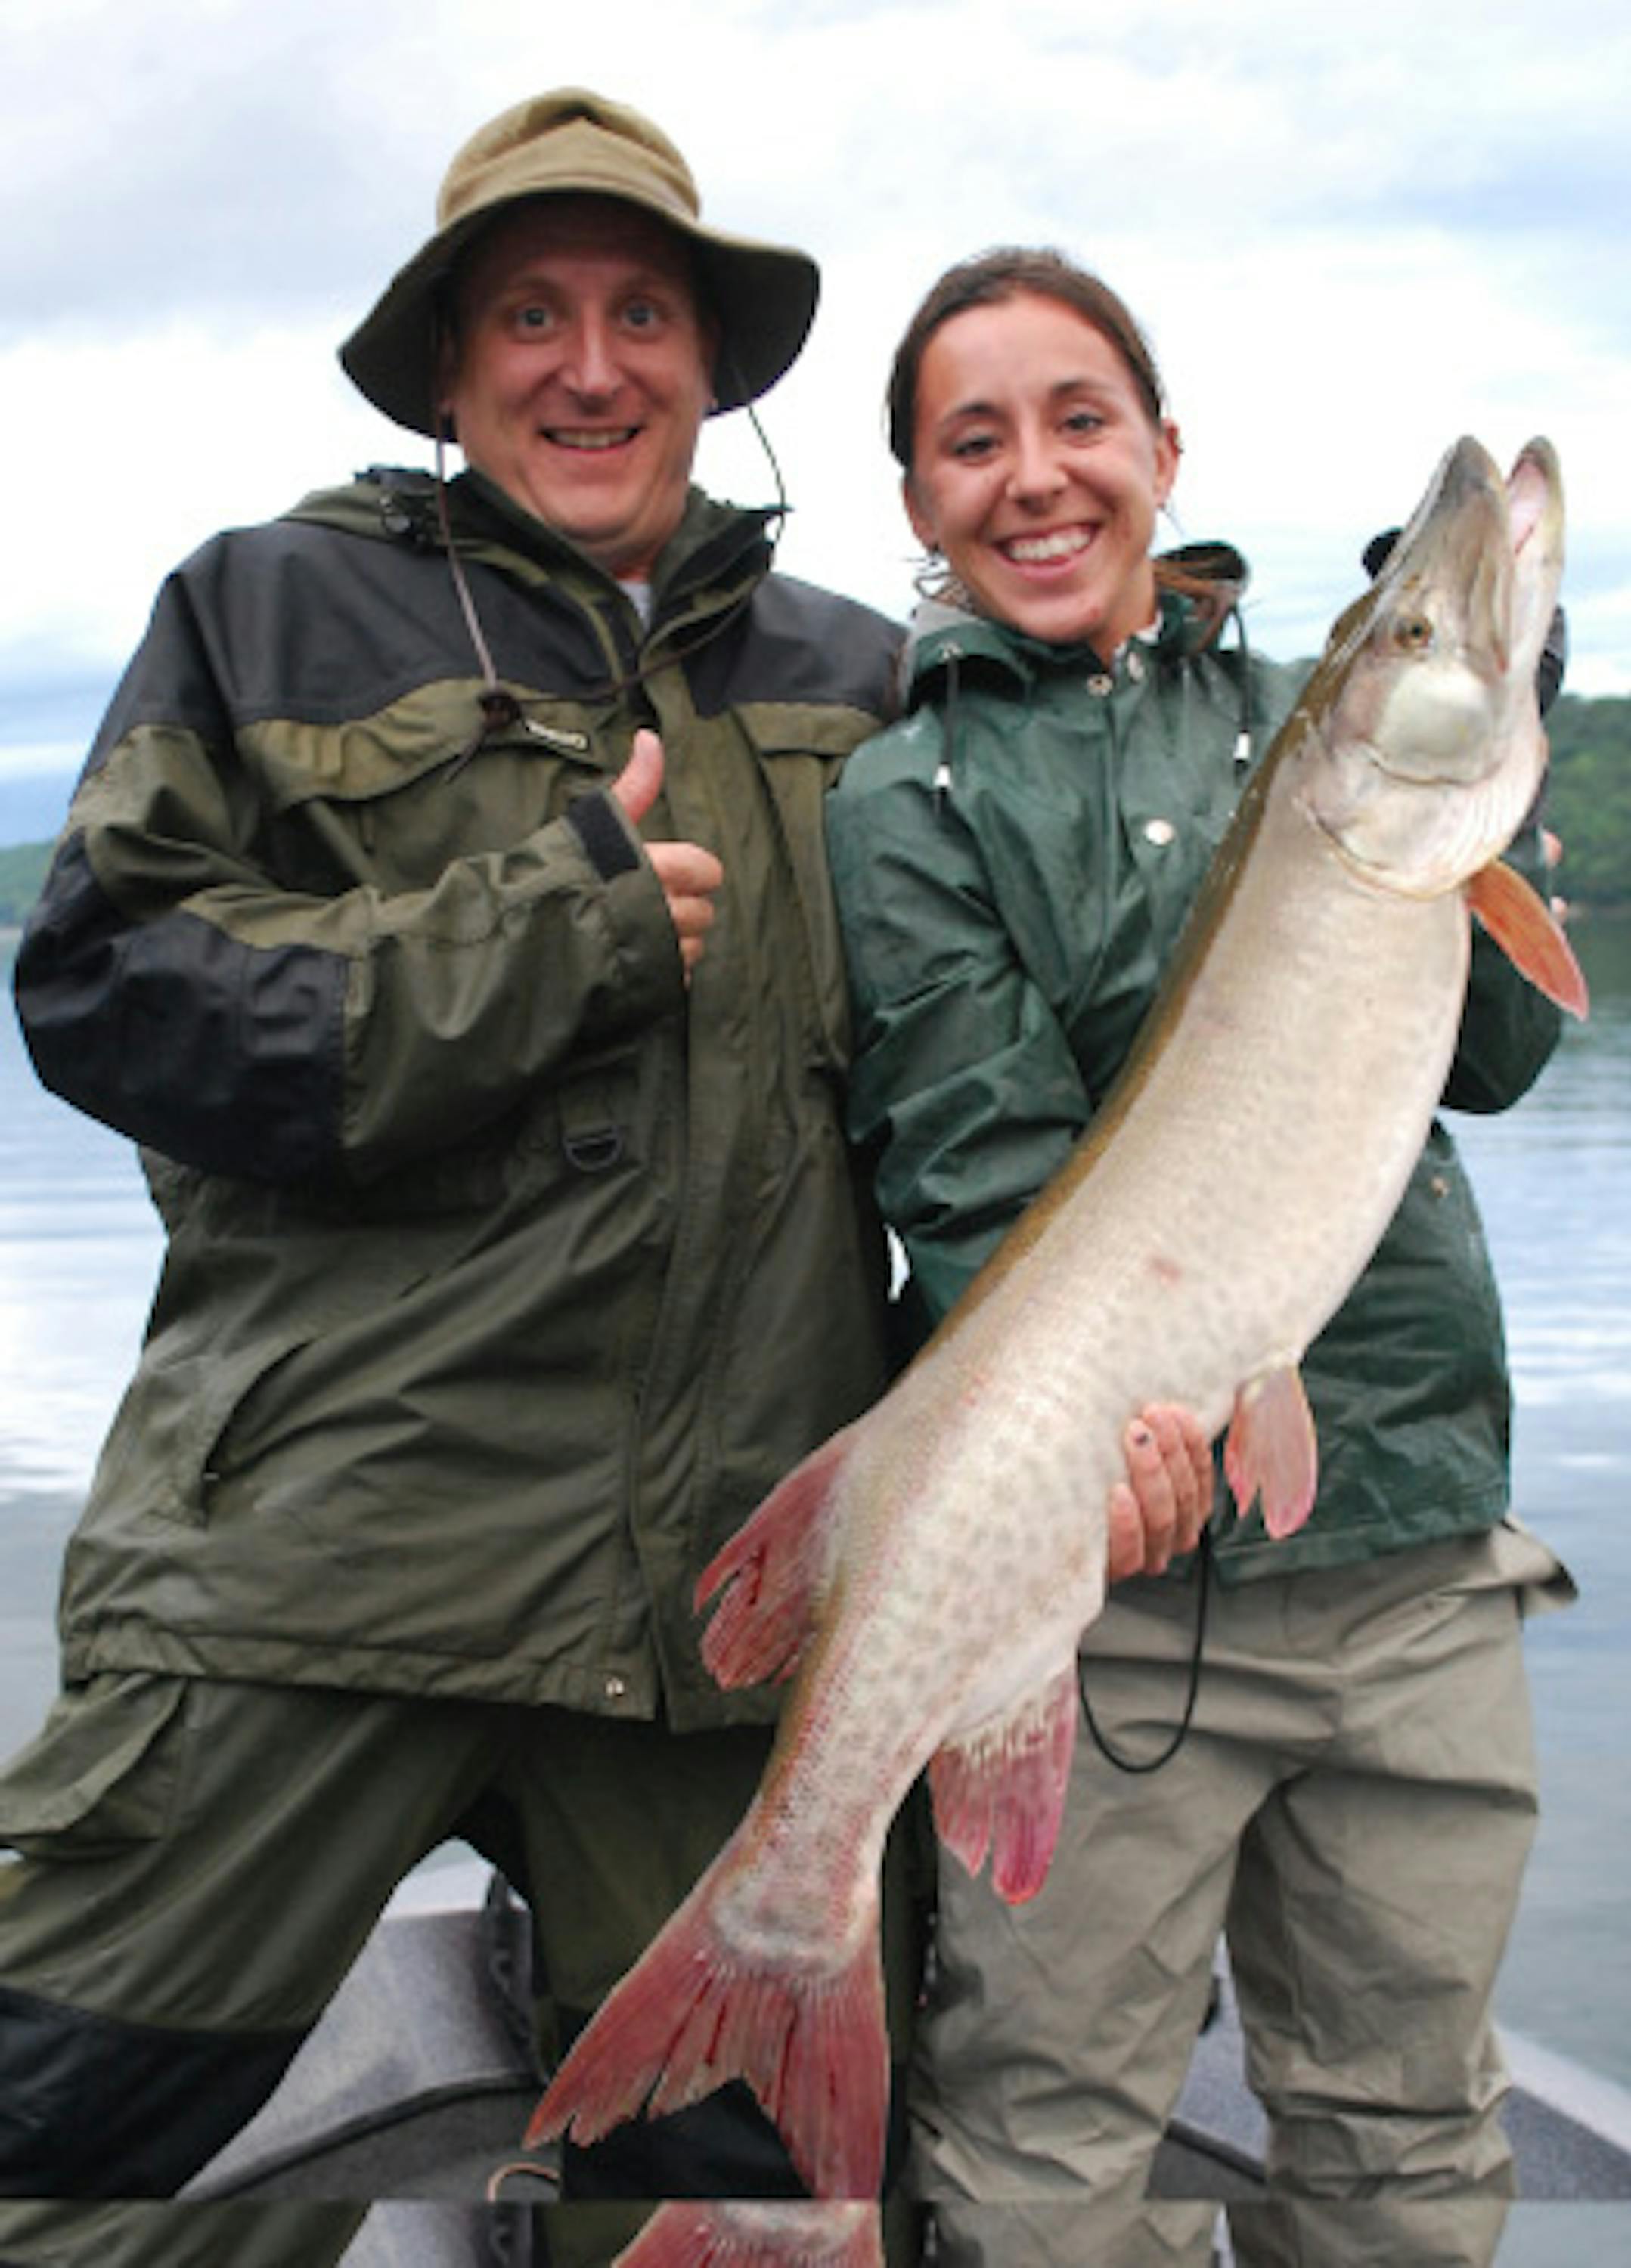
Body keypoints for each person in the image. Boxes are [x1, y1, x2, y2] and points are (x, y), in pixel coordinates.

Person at [0, 86, 925, 2224]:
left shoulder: (867, 682)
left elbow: (982, 1100)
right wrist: (553, 932)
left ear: (715, 368)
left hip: (716, 1627)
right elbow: (110, 996)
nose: (588, 365)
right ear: (447, 366)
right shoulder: (264, 610)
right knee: (45, 2158)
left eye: (639, 315)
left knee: (755, 2212)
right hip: (322, 1573)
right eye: (529, 313)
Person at [825, 249, 1575, 2268]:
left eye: (1082, 420)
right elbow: (978, 1172)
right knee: (1057, 2157)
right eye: (972, 442)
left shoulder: (1305, 726)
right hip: (1123, 1594)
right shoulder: (911, 797)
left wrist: (1497, 757)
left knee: (1410, 2147)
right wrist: (1100, 1442)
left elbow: (1495, 1057)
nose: (1037, 476)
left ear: (1165, 451)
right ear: (917, 502)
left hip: (1410, 1530)